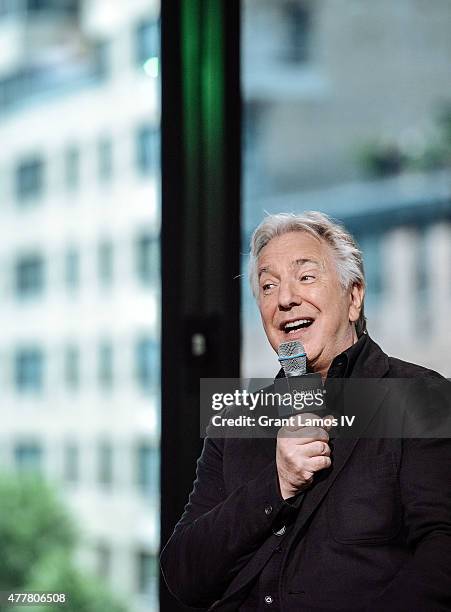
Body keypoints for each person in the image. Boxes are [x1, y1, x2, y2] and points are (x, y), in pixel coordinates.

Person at [160, 212, 451, 611]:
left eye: (306, 277)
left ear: (353, 298)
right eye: (268, 286)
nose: (284, 299)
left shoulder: (419, 396)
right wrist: (276, 484)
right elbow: (183, 573)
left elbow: (441, 558)